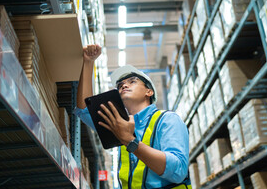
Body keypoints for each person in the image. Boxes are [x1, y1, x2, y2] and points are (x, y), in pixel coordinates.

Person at [74, 44, 191, 188]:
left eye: (132, 81)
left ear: (149, 92)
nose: (123, 85)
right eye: (120, 85)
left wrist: (130, 141)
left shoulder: (168, 120)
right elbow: (83, 109)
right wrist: (88, 62)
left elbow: (178, 170)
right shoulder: (117, 123)